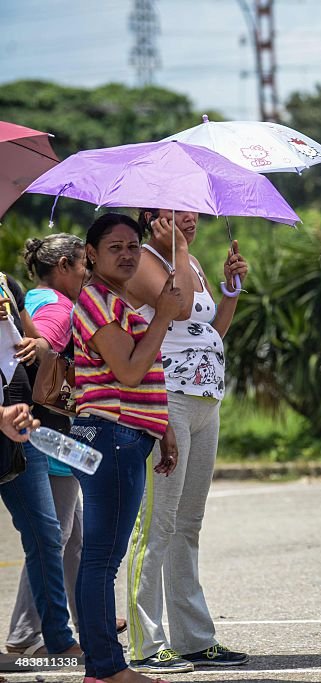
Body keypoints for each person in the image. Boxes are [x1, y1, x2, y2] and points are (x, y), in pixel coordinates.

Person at [123, 208, 249, 674]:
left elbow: (208, 331)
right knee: (156, 523)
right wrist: (177, 250)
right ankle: (145, 643)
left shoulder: (189, 261)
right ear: (150, 217)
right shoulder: (143, 261)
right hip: (165, 398)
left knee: (188, 523)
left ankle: (194, 638)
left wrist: (231, 290)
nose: (189, 220)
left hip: (204, 397)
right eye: (176, 212)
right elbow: (174, 307)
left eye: (193, 211)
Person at [71, 212, 183, 683]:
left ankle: (102, 667)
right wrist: (163, 315)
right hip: (109, 435)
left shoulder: (115, 301)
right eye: (114, 246)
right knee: (103, 558)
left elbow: (141, 382)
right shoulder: (97, 301)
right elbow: (130, 371)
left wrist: (163, 430)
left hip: (123, 434)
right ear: (91, 255)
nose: (127, 253)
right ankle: (106, 667)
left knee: (102, 556)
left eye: (133, 245)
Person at [7, 234, 90, 655]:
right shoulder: (59, 306)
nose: (86, 275)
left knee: (65, 533)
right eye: (82, 266)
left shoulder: (26, 295)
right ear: (61, 265)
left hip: (30, 426)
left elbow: (31, 338)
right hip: (49, 433)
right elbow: (47, 346)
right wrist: (46, 347)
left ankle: (80, 618)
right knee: (53, 535)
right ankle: (27, 631)